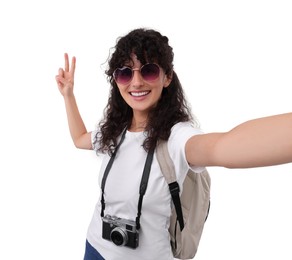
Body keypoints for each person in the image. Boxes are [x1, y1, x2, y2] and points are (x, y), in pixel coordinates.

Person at [55, 28, 292, 260]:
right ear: (116, 81)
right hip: (96, 248)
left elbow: (223, 147)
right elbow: (80, 139)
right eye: (126, 73)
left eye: (148, 71)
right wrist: (68, 95)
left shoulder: (176, 138)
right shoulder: (114, 132)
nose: (136, 82)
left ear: (167, 77)